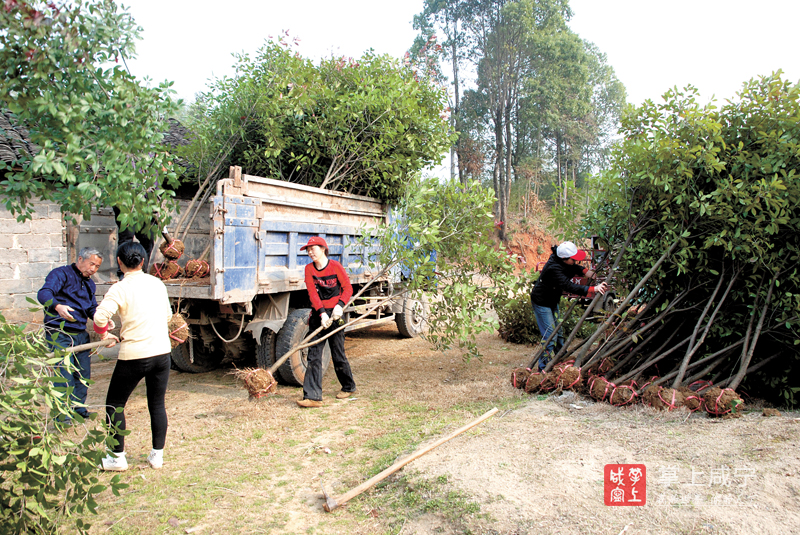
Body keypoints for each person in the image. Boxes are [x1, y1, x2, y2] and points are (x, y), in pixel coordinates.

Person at [93, 241, 173, 471]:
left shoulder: (120, 288)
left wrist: (105, 331)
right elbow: (167, 317)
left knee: (115, 404)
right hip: (161, 352)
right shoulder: (157, 284)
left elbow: (100, 318)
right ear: (143, 261)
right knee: (157, 404)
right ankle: (157, 456)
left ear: (119, 262)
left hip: (134, 355)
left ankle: (116, 458)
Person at [38, 246, 106, 422]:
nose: (93, 269)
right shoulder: (61, 274)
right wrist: (57, 306)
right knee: (63, 375)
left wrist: (101, 318)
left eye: (97, 266)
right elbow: (44, 293)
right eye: (91, 264)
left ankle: (79, 410)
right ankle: (63, 416)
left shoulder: (90, 283)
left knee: (82, 374)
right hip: (59, 332)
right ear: (81, 259)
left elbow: (91, 307)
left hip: (80, 334)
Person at [297, 236, 357, 408]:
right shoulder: (309, 269)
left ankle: (348, 386)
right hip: (319, 314)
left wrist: (340, 306)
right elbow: (312, 293)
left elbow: (348, 288)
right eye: (308, 250)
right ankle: (312, 397)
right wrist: (322, 314)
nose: (310, 252)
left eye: (313, 248)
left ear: (323, 249)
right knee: (314, 355)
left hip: (336, 315)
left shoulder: (335, 266)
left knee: (338, 354)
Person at [530, 241, 608, 371]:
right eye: (574, 259)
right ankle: (543, 368)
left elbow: (573, 267)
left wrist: (586, 271)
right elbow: (569, 286)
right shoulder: (553, 268)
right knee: (550, 335)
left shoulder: (561, 259)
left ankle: (560, 358)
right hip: (542, 302)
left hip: (552, 300)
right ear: (564, 258)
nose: (575, 261)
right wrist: (594, 289)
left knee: (558, 332)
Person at [113, 205, 156, 280]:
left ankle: (142, 271)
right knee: (126, 239)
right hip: (127, 204)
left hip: (146, 207)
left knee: (148, 240)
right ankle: (123, 273)